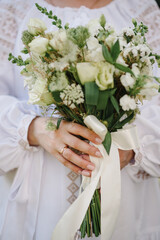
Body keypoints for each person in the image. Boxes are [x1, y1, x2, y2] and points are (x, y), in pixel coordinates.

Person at [0, 0, 160, 239]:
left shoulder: (141, 10)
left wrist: (133, 148)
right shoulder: (11, 10)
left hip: (124, 200)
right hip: (38, 201)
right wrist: (35, 129)